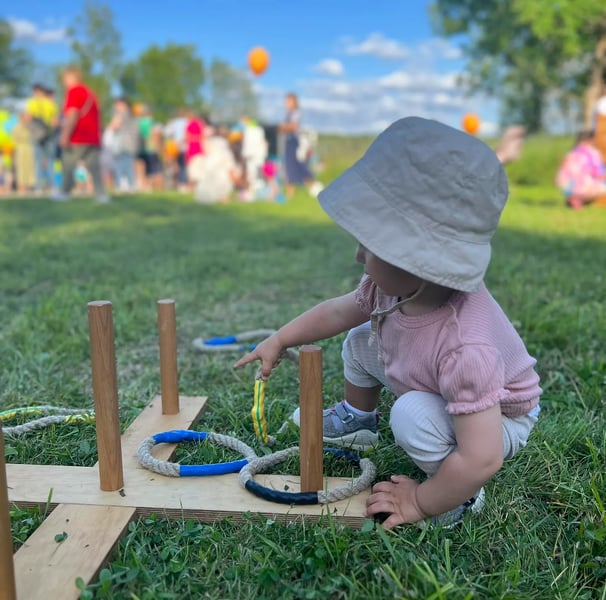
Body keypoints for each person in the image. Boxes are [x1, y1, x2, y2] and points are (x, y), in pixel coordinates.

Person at [235, 117, 542, 529]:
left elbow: (482, 456)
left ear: (422, 263)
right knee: (361, 338)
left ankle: (459, 498)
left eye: (373, 246)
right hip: (439, 377)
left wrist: (419, 501)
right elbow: (337, 312)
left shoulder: (466, 347)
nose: (359, 256)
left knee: (412, 415)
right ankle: (358, 419)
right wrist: (280, 338)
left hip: (495, 417)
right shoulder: (392, 287)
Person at [56, 66, 108, 203]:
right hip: (93, 136)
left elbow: (72, 114)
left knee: (68, 164)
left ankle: (64, 193)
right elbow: (99, 114)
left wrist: (65, 135)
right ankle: (101, 195)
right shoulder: (91, 93)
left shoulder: (74, 91)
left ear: (72, 78)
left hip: (78, 136)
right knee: (94, 167)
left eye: (65, 78)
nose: (63, 82)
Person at [556, 130, 606, 210]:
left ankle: (574, 198)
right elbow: (597, 173)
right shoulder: (592, 153)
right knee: (603, 185)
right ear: (592, 141)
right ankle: (580, 198)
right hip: (582, 187)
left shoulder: (571, 153)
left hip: (565, 187)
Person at [26, 83, 59, 194]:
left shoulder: (32, 103)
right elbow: (55, 122)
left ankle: (39, 187)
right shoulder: (50, 103)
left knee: (39, 161)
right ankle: (52, 186)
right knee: (49, 161)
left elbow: (28, 118)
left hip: (37, 135)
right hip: (49, 135)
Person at [279, 92, 313, 197]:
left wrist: (282, 127)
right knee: (290, 167)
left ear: (294, 102)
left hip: (295, 141)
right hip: (290, 141)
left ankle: (313, 186)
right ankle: (290, 193)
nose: (286, 103)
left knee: (298, 165)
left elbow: (293, 127)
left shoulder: (296, 113)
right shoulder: (289, 114)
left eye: (288, 101)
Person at [107, 97, 139, 192]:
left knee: (119, 165)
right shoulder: (131, 115)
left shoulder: (120, 114)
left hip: (122, 144)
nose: (115, 107)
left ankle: (120, 185)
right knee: (128, 165)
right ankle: (131, 185)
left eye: (117, 104)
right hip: (131, 144)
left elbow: (114, 126)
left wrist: (109, 129)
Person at [12, 111, 36, 194]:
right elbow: (15, 137)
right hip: (21, 149)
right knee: (21, 169)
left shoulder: (31, 127)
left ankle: (30, 186)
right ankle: (21, 187)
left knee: (30, 168)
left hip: (30, 149)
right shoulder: (17, 127)